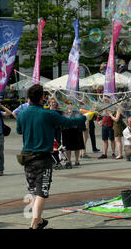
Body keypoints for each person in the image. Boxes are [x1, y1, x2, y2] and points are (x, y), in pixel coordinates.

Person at [16, 84, 92, 229]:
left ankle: (37, 221)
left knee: (33, 192)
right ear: (42, 97)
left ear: (28, 98)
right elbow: (68, 123)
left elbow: (19, 130)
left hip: (26, 158)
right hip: (42, 159)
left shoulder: (22, 114)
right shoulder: (48, 114)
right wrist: (85, 117)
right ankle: (34, 224)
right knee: (41, 193)